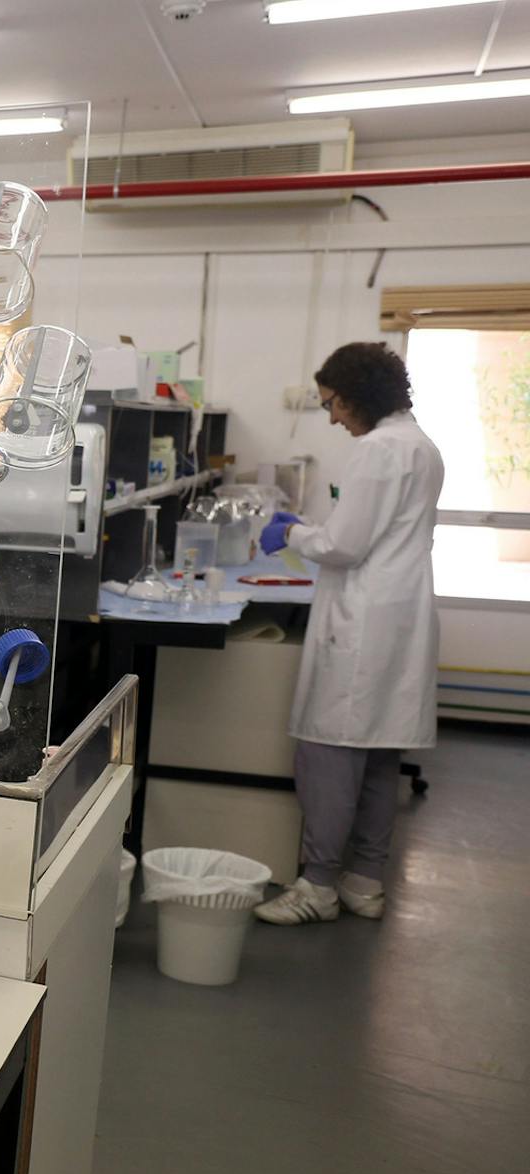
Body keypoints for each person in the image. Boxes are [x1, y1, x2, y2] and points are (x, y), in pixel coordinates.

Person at [253, 341, 443, 926]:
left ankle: (318, 886)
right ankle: (364, 881)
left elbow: (345, 545)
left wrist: (292, 535)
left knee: (330, 756)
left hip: (361, 622)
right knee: (382, 755)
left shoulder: (379, 449)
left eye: (333, 403)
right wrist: (313, 530)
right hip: (401, 613)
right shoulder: (422, 446)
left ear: (360, 395)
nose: (332, 416)